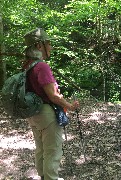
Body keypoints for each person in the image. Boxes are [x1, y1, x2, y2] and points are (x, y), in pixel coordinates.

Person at [22, 28, 79, 180]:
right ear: (39, 46)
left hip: (33, 113)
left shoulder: (27, 65)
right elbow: (53, 95)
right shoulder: (42, 66)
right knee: (52, 151)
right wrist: (70, 105)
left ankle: (43, 176)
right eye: (48, 43)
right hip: (47, 114)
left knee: (40, 149)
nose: (51, 46)